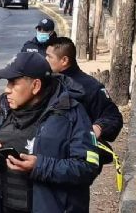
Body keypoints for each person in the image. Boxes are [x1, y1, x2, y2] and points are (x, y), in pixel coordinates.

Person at [0, 52, 100, 213]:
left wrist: (40, 167)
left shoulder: (71, 114)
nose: (7, 90)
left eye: (13, 83)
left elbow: (88, 167)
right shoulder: (4, 110)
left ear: (36, 86)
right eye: (7, 82)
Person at [45, 37, 123, 167]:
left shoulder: (90, 87)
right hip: (45, 156)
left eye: (49, 57)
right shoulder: (44, 82)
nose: (45, 60)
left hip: (75, 162)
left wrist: (98, 128)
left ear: (64, 60)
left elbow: (113, 117)